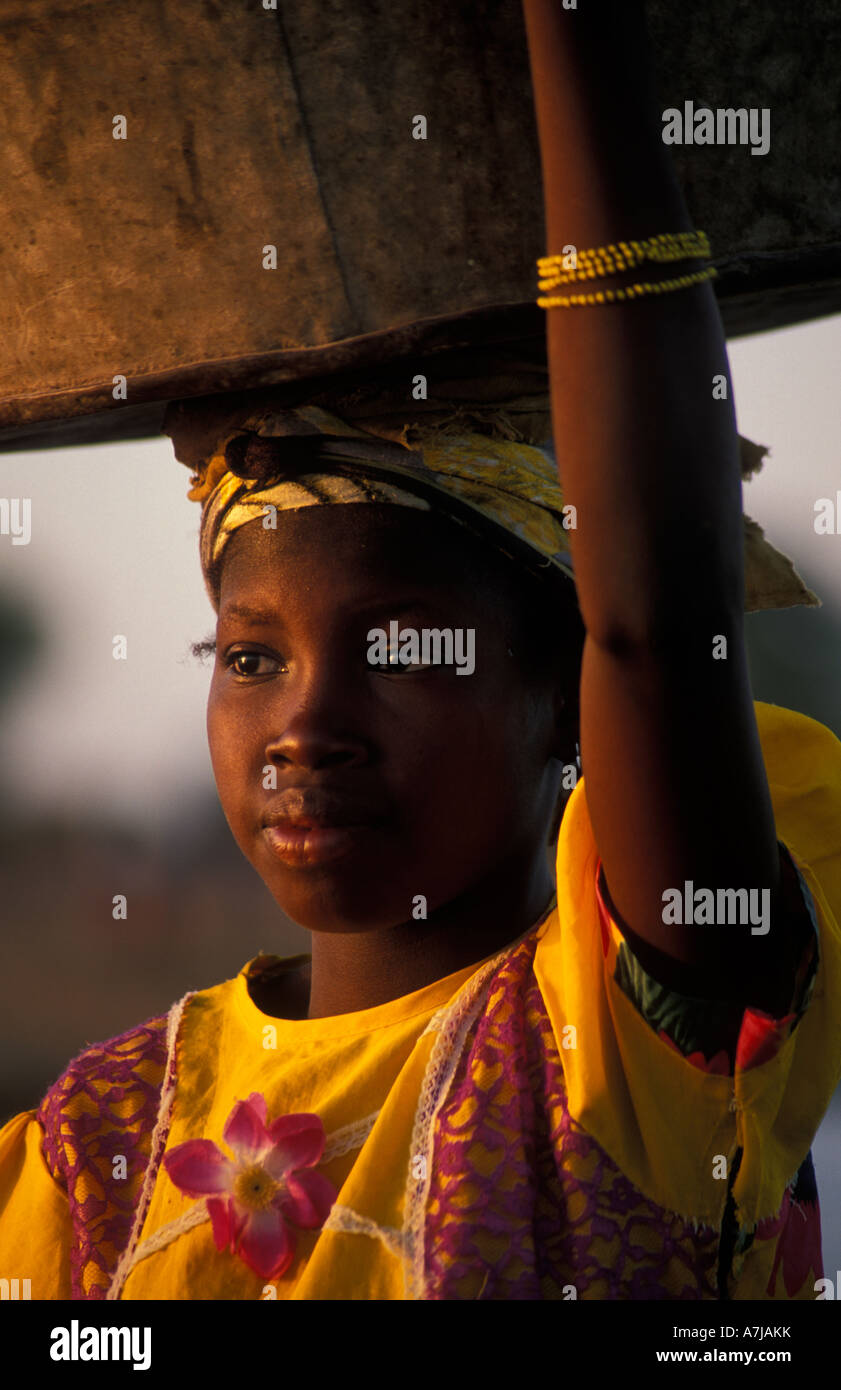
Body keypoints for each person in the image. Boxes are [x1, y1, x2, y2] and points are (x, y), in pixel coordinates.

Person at [1, 0, 839, 1301]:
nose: (305, 719)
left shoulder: (615, 1045)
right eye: (249, 657)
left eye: (400, 646)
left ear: (565, 697)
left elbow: (663, 623)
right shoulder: (95, 1141)